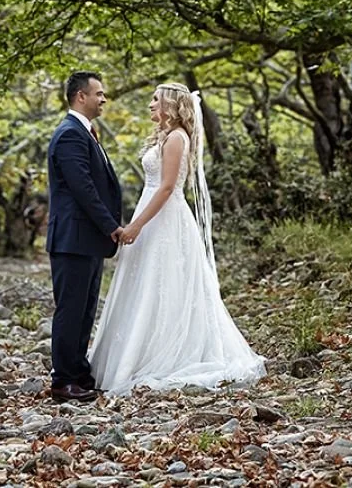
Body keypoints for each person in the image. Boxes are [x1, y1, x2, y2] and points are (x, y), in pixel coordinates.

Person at [89, 82, 265, 394]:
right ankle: (133, 353)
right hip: (153, 212)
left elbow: (167, 188)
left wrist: (136, 226)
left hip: (165, 218)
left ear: (171, 104)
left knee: (165, 282)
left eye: (155, 100)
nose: (150, 105)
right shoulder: (166, 136)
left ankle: (162, 356)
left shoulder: (176, 138)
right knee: (145, 284)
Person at [45, 71, 124, 402]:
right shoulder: (70, 135)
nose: (104, 99)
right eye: (99, 93)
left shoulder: (86, 133)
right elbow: (83, 189)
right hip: (72, 238)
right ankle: (63, 380)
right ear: (81, 96)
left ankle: (78, 373)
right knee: (71, 309)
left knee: (86, 308)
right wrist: (112, 225)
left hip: (86, 240)